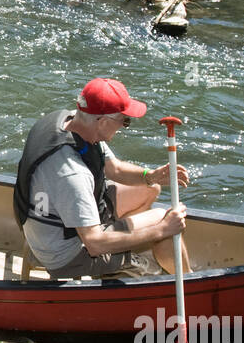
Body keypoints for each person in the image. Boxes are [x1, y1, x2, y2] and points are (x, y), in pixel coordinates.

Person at [13, 78, 191, 280]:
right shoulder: (72, 174)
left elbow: (114, 169)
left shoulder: (69, 121)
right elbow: (94, 243)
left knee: (151, 188)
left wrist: (151, 176)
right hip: (67, 253)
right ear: (104, 121)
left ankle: (124, 245)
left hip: (53, 223)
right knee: (163, 220)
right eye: (124, 121)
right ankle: (189, 282)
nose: (124, 126)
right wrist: (160, 230)